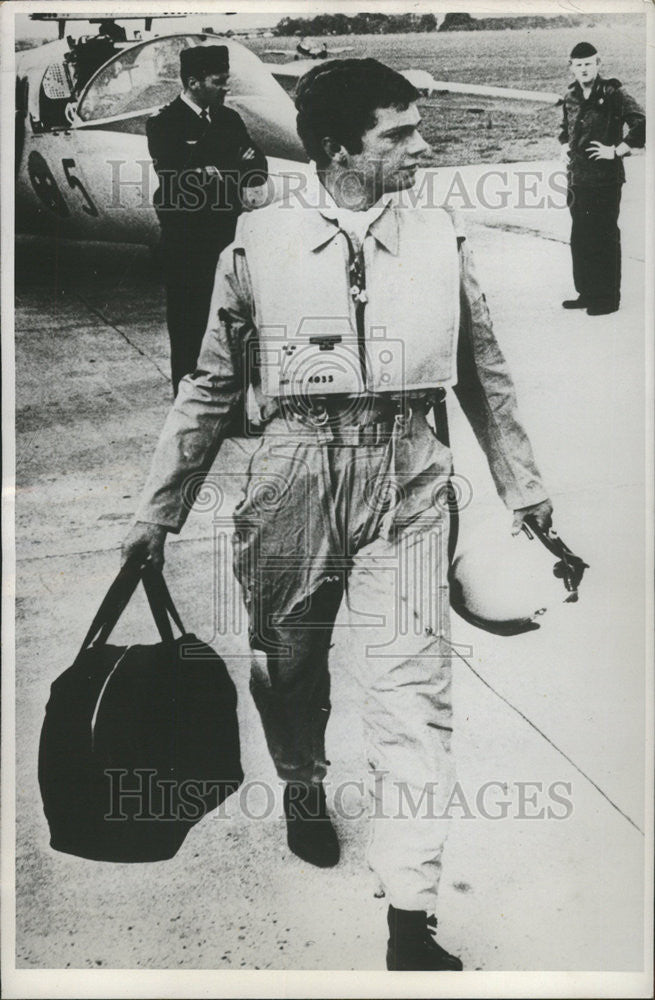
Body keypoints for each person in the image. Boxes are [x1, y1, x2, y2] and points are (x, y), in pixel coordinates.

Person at [123, 59, 553, 970]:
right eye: (396, 134)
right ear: (334, 149)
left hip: (409, 476)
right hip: (293, 473)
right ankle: (302, 782)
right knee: (288, 666)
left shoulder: (440, 235)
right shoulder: (256, 243)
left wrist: (524, 490)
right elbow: (209, 387)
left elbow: (484, 370)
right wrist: (157, 512)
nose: (421, 148)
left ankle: (410, 912)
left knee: (415, 695)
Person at [146, 45, 268, 393]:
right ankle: (188, 391)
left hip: (225, 233)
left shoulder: (228, 119)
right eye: (218, 81)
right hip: (186, 239)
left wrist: (224, 170)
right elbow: (177, 176)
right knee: (188, 319)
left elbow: (254, 161)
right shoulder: (163, 123)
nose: (225, 88)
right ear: (194, 82)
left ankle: (232, 394)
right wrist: (223, 168)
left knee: (234, 317)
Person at [559, 41, 645, 316]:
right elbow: (565, 128)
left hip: (605, 179)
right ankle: (587, 292)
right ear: (571, 67)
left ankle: (608, 298)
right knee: (581, 236)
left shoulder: (613, 92)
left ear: (599, 64)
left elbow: (642, 122)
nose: (583, 69)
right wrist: (563, 146)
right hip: (578, 178)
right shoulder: (570, 95)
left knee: (604, 235)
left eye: (589, 63)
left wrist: (617, 150)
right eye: (578, 64)